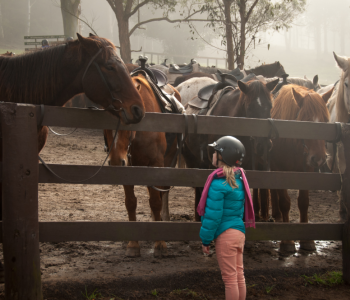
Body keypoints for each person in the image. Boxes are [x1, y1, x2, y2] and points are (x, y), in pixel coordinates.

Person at [197, 136, 255, 300]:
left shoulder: (218, 184)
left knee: (230, 280)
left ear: (223, 157)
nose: (213, 155)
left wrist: (206, 240)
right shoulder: (240, 179)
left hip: (225, 235)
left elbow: (213, 217)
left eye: (215, 152)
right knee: (239, 275)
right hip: (239, 233)